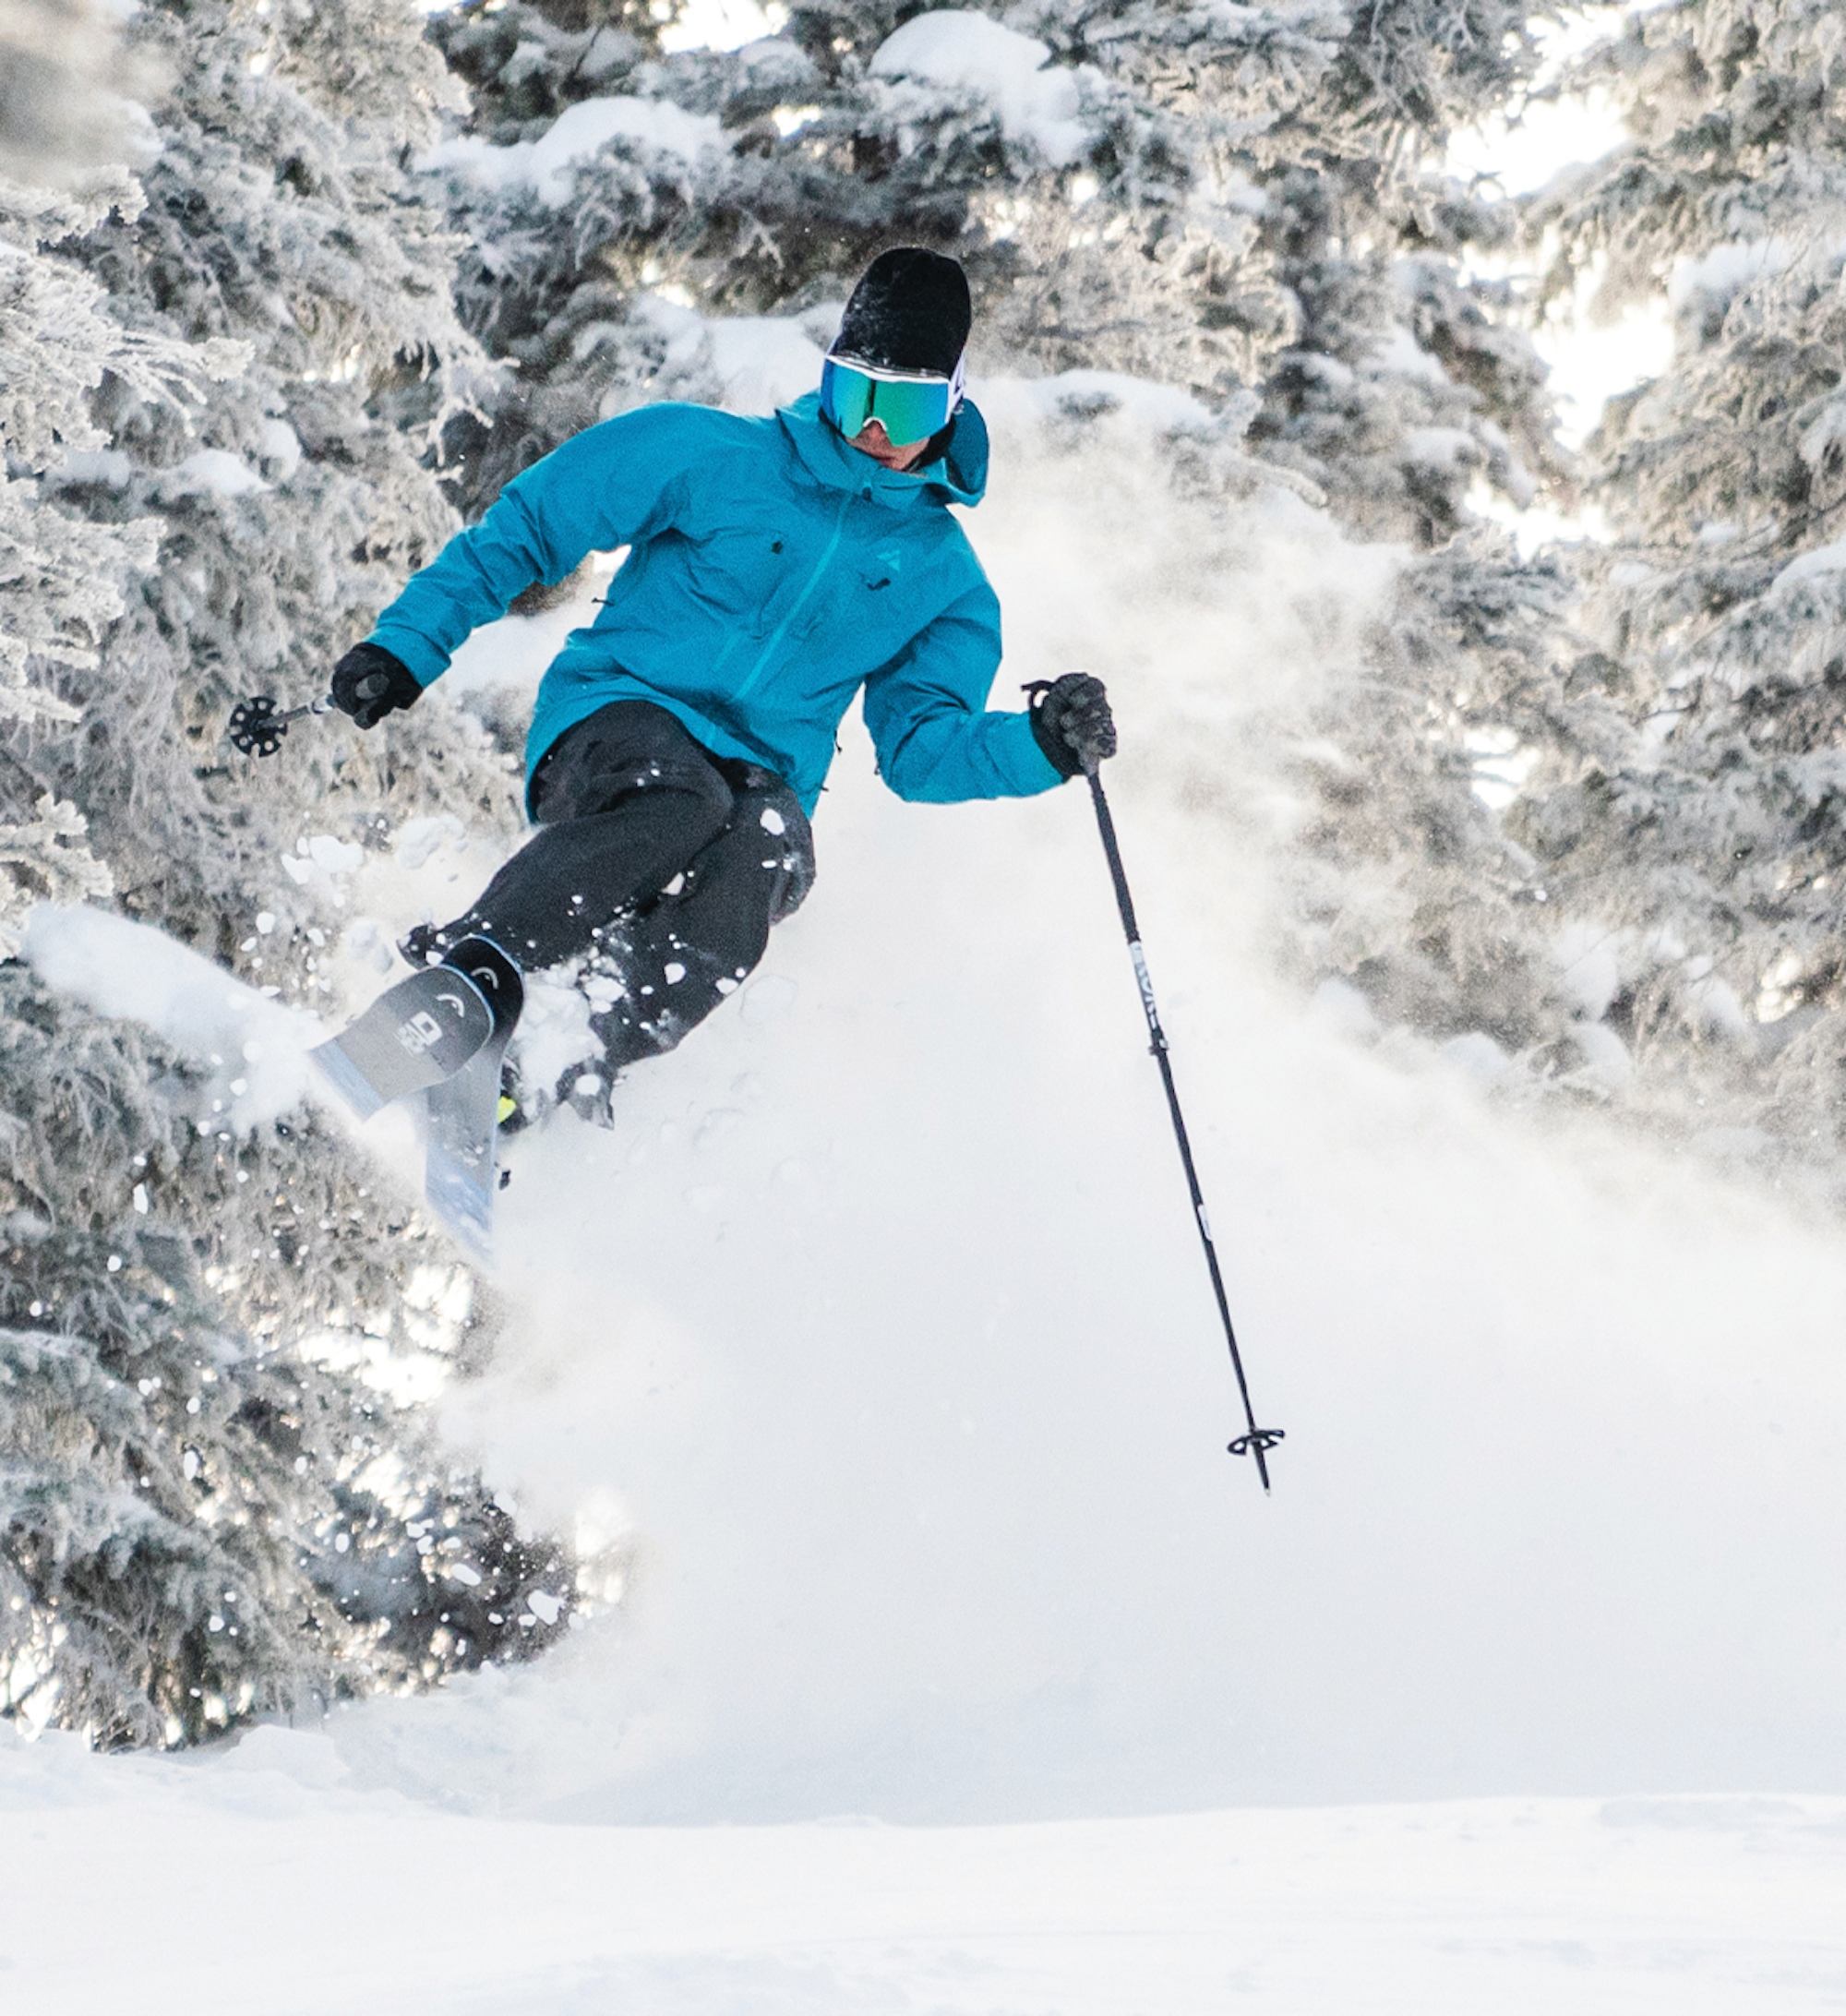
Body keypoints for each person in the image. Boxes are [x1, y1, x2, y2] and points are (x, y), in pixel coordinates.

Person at [330, 247, 1116, 1116]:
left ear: (952, 407)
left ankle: (567, 1059)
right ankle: (482, 974)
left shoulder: (946, 582)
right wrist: (407, 647)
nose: (877, 430)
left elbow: (921, 751)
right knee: (680, 798)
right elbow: (528, 529)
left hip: (762, 775)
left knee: (765, 852)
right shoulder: (706, 454)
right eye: (858, 394)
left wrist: (1039, 747)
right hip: (618, 719)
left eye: (908, 404)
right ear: (828, 383)